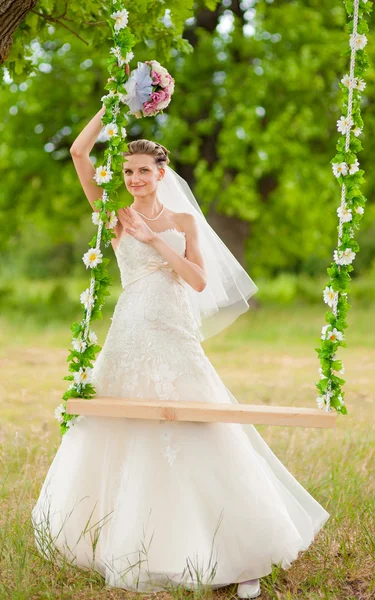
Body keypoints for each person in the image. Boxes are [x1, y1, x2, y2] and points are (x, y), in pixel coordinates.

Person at [31, 105, 330, 597]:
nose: (133, 179)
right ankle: (130, 544)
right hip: (129, 334)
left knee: (204, 425)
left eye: (142, 171)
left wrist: (157, 240)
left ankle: (240, 552)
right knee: (123, 429)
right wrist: (111, 108)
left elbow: (197, 280)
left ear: (161, 174)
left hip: (174, 332)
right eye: (127, 171)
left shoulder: (185, 220)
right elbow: (78, 152)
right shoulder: (115, 215)